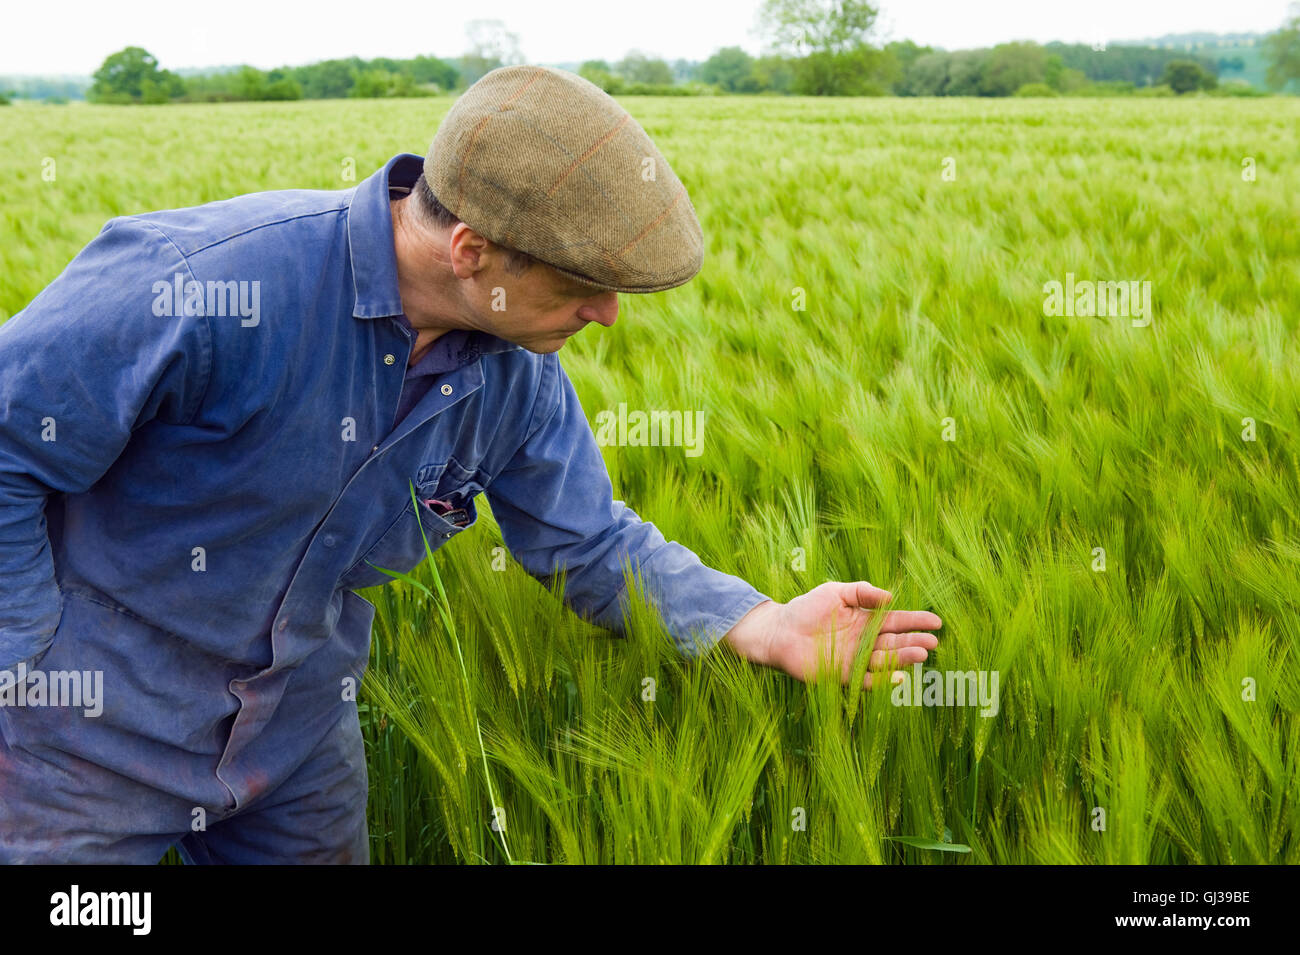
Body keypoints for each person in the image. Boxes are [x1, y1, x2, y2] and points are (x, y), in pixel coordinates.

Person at [0, 65, 941, 864]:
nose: (608, 315)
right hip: (78, 749)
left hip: (293, 746)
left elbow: (592, 540)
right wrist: (28, 659)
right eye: (584, 287)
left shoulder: (516, 374)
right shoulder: (200, 287)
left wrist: (762, 624)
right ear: (472, 250)